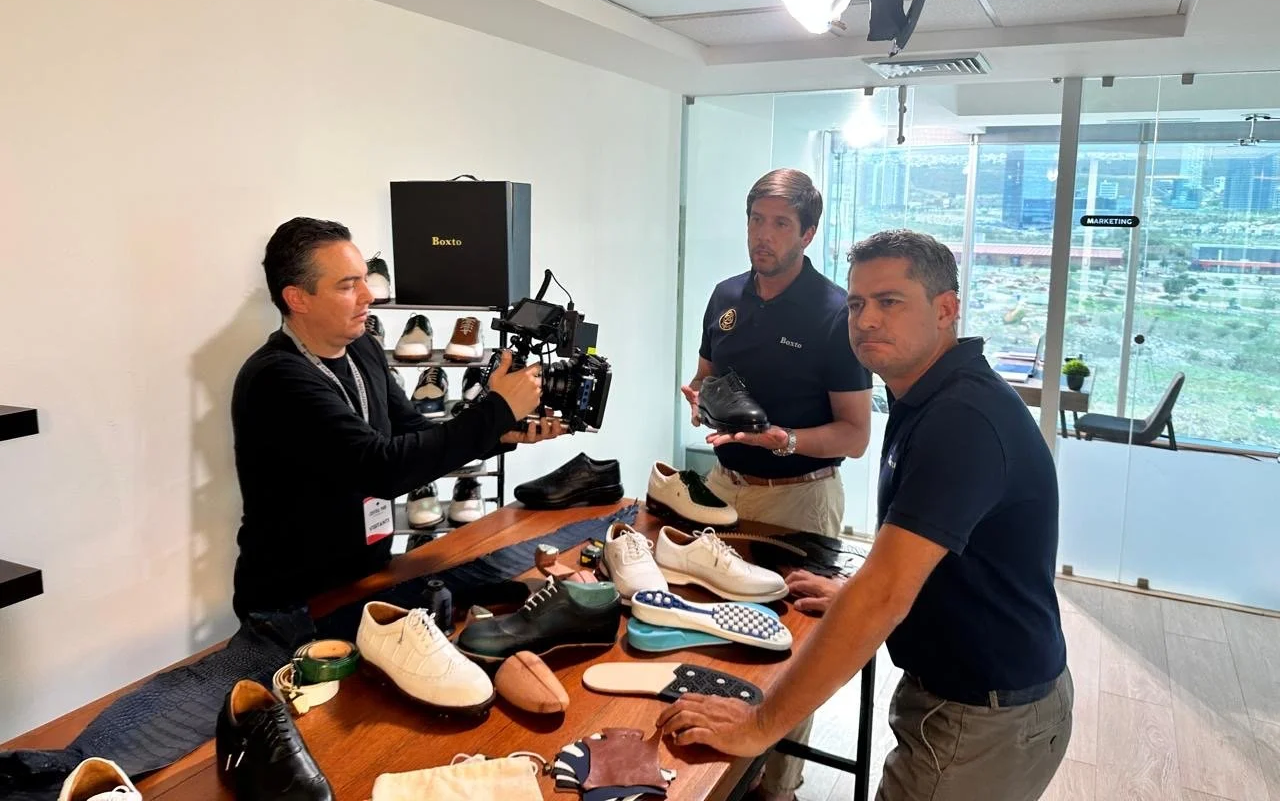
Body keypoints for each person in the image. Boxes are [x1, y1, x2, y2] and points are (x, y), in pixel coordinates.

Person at [659, 229, 1072, 801]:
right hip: (965, 695)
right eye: (857, 304)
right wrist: (855, 593)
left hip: (984, 715)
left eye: (890, 301)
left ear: (947, 309)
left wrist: (759, 724)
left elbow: (885, 593)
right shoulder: (928, 396)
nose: (866, 319)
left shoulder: (961, 420)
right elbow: (931, 562)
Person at [230, 217, 563, 619]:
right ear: (297, 298)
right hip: (294, 603)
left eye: (364, 279)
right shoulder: (276, 378)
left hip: (366, 576)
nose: (368, 295)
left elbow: (415, 432)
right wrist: (497, 408)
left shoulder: (362, 348)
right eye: (347, 285)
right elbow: (382, 466)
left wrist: (505, 432)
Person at [679, 168, 872, 800]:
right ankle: (712, 760)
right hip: (721, 486)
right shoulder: (725, 295)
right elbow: (707, 375)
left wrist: (785, 439)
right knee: (710, 622)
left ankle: (780, 784)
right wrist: (699, 399)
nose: (763, 235)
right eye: (756, 220)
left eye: (779, 224)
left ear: (809, 232)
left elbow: (854, 433)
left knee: (789, 650)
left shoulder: (834, 312)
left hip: (801, 496)